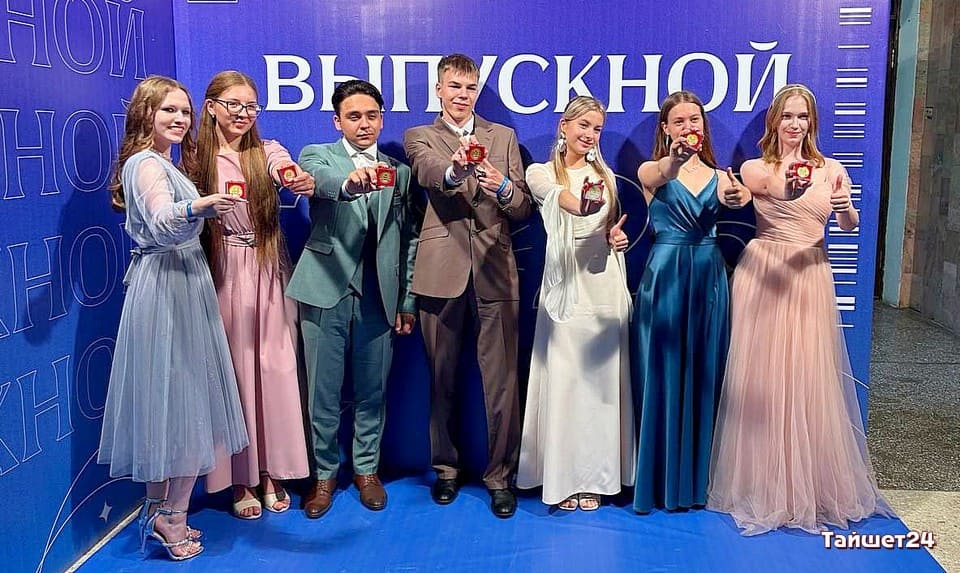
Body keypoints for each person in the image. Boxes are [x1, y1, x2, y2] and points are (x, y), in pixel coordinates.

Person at [707, 84, 890, 535]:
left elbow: (849, 223)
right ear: (774, 121)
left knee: (808, 379)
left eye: (802, 116)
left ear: (812, 122)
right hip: (765, 272)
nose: (794, 124)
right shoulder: (756, 168)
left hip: (810, 274)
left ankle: (808, 487)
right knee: (763, 381)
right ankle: (763, 486)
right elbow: (773, 192)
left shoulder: (833, 169)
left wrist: (846, 209)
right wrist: (788, 187)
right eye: (787, 116)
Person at [97, 75, 248, 561]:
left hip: (179, 280)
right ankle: (170, 517)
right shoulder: (146, 163)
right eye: (169, 110)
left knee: (173, 404)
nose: (181, 119)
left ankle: (161, 512)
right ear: (146, 114)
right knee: (183, 401)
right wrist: (199, 205)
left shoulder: (162, 162)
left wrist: (198, 207)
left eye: (185, 111)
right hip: (168, 285)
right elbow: (163, 220)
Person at [403, 53, 532, 518]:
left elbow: (522, 207)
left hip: (496, 269)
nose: (463, 94)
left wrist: (503, 188)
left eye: (470, 87)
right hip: (441, 270)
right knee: (441, 379)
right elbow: (428, 173)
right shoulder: (419, 136)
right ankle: (446, 469)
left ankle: (500, 477)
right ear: (439, 90)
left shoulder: (504, 137)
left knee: (503, 383)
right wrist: (457, 171)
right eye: (454, 86)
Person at [287, 79, 418, 518]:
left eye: (372, 115)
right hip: (325, 289)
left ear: (382, 119)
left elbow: (409, 239)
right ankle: (324, 476)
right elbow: (321, 182)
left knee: (372, 391)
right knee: (321, 394)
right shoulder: (317, 155)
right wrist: (349, 183)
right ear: (337, 121)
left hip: (380, 296)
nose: (364, 124)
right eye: (354, 116)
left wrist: (406, 300)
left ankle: (366, 471)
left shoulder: (400, 173)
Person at [191, 70, 312, 519]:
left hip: (267, 265)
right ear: (211, 108)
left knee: (276, 370)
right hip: (223, 270)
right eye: (234, 104)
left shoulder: (267, 150)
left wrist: (294, 177)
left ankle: (273, 472)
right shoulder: (195, 161)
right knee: (237, 372)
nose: (243, 114)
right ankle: (241, 477)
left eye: (251, 106)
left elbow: (286, 169)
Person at [631, 90, 750, 514]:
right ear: (666, 129)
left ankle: (700, 482)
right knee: (662, 374)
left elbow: (739, 197)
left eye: (694, 120)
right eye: (678, 121)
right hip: (665, 278)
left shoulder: (722, 177)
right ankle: (661, 482)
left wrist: (738, 197)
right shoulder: (651, 169)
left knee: (704, 373)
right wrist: (676, 161)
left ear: (704, 125)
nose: (687, 128)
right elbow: (661, 172)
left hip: (708, 278)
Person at [516, 96, 635, 511]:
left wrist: (616, 238)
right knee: (566, 379)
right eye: (583, 125)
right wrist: (583, 205)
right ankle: (564, 477)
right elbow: (560, 200)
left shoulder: (607, 177)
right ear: (563, 126)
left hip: (604, 282)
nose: (590, 134)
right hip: (566, 283)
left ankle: (597, 478)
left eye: (597, 128)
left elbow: (609, 227)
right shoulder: (540, 172)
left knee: (600, 383)